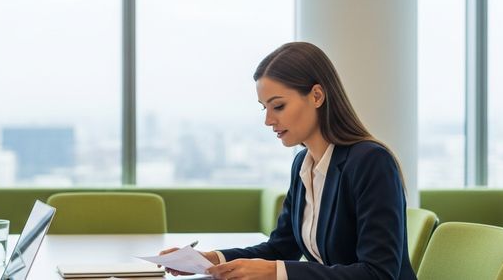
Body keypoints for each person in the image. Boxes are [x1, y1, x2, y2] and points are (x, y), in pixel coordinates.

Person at [159, 42, 415, 280]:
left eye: (278, 106)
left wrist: (276, 272)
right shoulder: (304, 164)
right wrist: (211, 260)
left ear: (317, 96)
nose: (268, 120)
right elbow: (281, 247)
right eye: (264, 108)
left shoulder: (371, 162)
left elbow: (379, 272)